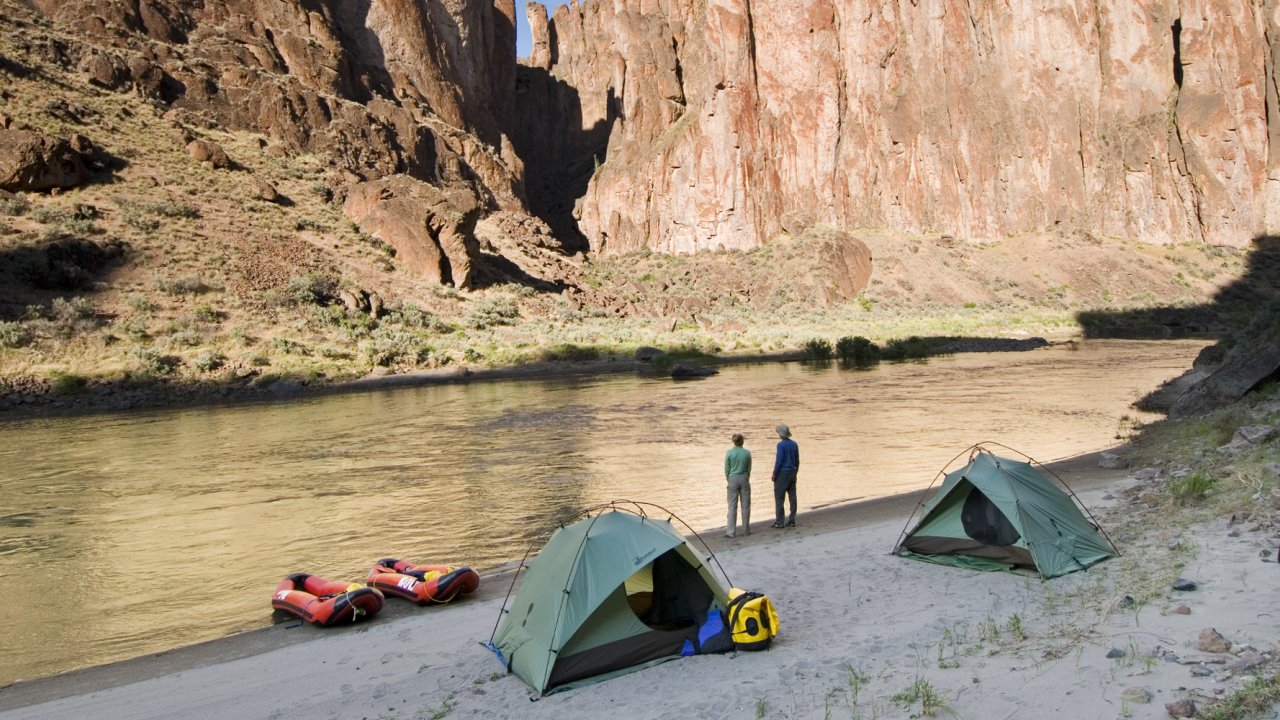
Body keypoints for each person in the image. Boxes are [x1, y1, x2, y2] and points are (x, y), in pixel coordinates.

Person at [724, 433, 751, 538]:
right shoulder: (747, 453)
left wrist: (728, 479)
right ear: (742, 441)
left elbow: (727, 469)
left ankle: (731, 532)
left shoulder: (729, 453)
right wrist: (747, 477)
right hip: (744, 477)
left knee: (732, 506)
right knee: (746, 505)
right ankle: (746, 530)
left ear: (733, 442)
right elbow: (749, 468)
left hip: (733, 478)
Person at [771, 424, 799, 528]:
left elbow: (779, 461)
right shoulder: (794, 444)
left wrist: (774, 473)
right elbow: (797, 460)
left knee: (779, 498)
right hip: (792, 471)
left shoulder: (780, 445)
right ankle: (792, 520)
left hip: (782, 473)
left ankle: (780, 521)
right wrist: (796, 472)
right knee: (792, 497)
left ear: (780, 434)